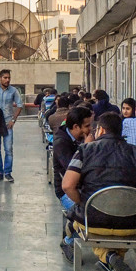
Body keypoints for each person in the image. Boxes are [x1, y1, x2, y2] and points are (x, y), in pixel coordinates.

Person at [61, 112, 136, 271]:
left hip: (94, 221)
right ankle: (112, 258)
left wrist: (83, 202)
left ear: (101, 130)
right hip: (131, 224)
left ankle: (108, 257)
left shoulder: (85, 150)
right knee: (120, 228)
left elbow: (67, 186)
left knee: (79, 220)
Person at [52, 107, 93, 261]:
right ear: (76, 127)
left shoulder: (78, 137)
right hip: (67, 190)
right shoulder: (61, 142)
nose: (90, 130)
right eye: (87, 126)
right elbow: (73, 169)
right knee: (88, 213)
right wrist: (87, 148)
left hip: (84, 187)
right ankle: (68, 241)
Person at [0, 69, 23, 182]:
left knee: (8, 149)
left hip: (7, 124)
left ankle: (8, 172)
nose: (7, 80)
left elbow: (20, 105)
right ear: (0, 78)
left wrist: (13, 120)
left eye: (9, 78)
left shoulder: (13, 91)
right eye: (5, 78)